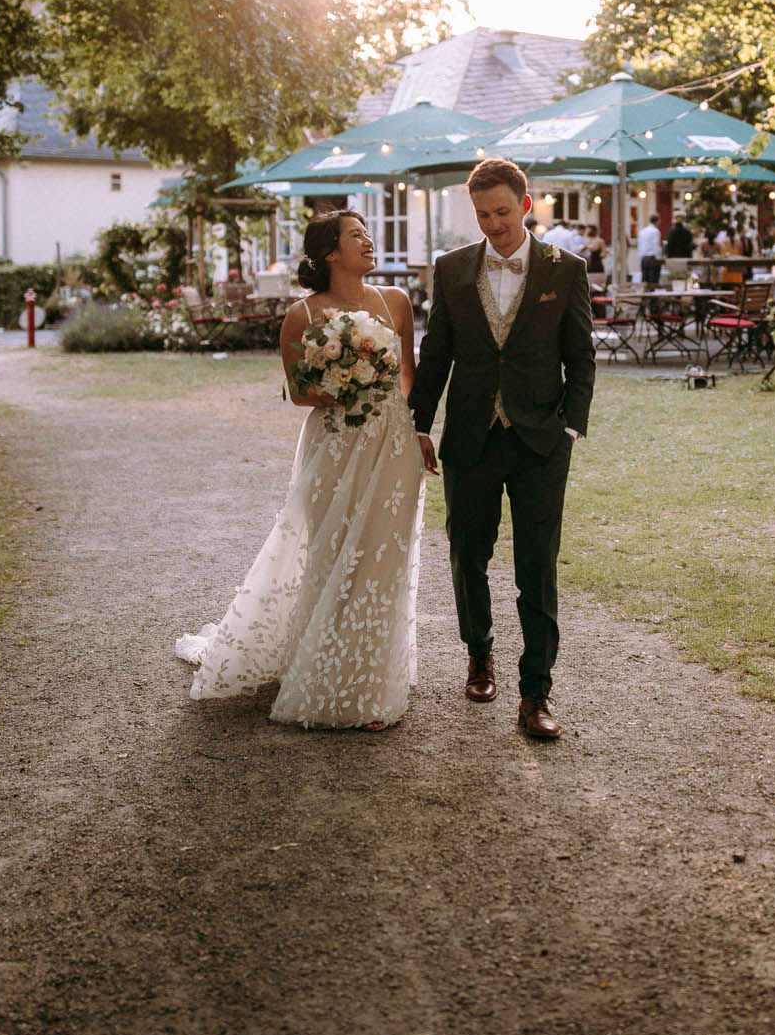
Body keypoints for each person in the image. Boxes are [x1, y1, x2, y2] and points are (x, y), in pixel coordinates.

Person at [175, 210, 425, 730]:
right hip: (333, 443)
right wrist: (348, 381)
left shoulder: (396, 302)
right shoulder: (300, 315)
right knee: (332, 553)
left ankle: (370, 679)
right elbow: (299, 393)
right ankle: (325, 668)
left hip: (392, 443)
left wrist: (405, 426)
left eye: (367, 233)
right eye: (356, 235)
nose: (368, 241)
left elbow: (408, 375)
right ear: (330, 252)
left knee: (383, 558)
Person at [409, 158, 596, 741]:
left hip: (541, 440)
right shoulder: (452, 269)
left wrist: (571, 428)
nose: (493, 225)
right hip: (471, 436)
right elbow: (436, 353)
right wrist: (419, 425)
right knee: (467, 554)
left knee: (537, 566)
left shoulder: (567, 269)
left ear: (525, 204)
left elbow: (581, 356)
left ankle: (536, 692)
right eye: (482, 215)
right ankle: (479, 654)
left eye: (502, 212)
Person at [664, 215, 695, 280]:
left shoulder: (671, 232)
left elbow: (669, 245)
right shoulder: (687, 232)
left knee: (675, 275)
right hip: (685, 256)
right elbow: (690, 244)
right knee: (684, 275)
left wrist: (668, 256)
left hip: (674, 257)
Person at [636, 214, 663, 286]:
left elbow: (640, 246)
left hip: (643, 258)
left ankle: (644, 292)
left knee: (645, 279)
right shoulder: (655, 231)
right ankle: (652, 292)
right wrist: (659, 258)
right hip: (652, 258)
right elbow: (656, 245)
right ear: (657, 221)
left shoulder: (642, 231)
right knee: (653, 280)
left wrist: (640, 259)